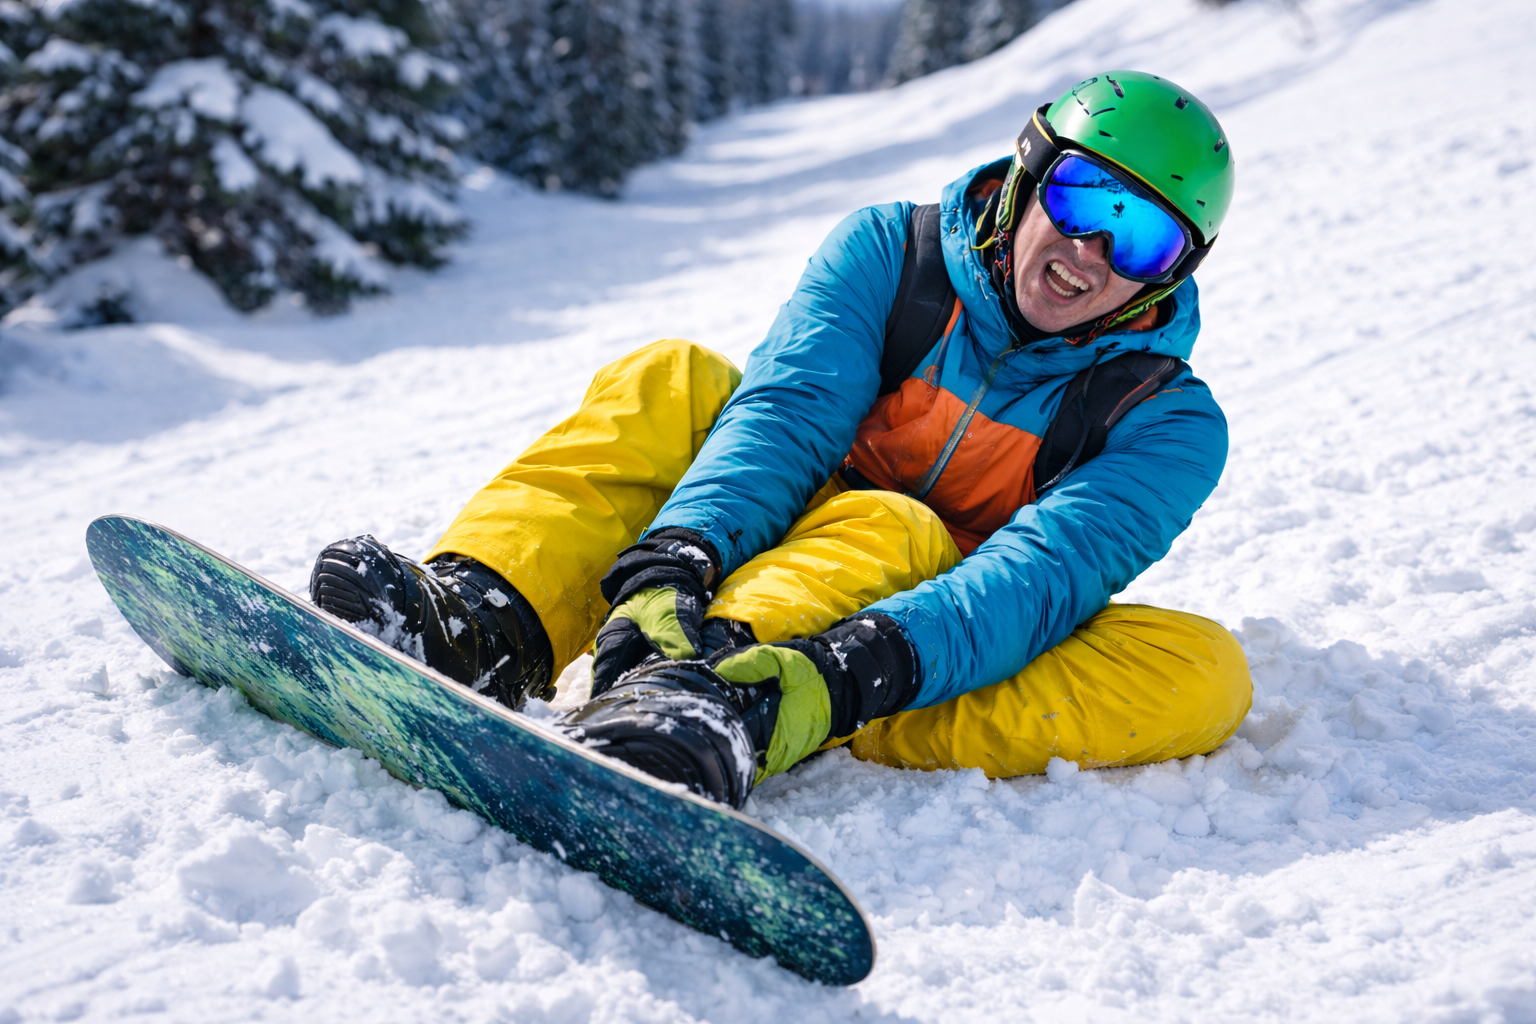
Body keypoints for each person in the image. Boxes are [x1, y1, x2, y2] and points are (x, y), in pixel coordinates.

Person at [309, 71, 1253, 809]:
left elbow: (1040, 577)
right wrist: (673, 563)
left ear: (1172, 276)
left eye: (1143, 244)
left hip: (916, 630)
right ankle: (484, 623)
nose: (1092, 254)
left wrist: (838, 678)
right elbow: (788, 414)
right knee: (671, 377)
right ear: (1028, 176)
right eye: (1087, 200)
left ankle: (737, 701)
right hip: (765, 535)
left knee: (1203, 678)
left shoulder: (1165, 421)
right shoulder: (894, 252)